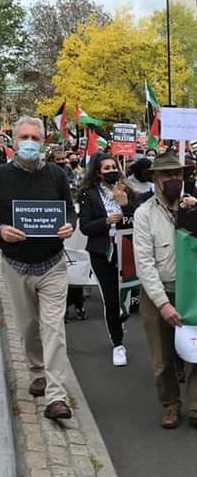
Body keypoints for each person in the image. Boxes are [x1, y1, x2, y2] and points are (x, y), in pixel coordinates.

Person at [133, 152, 197, 436]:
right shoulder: (144, 214)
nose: (173, 180)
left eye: (177, 175)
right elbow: (144, 264)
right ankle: (170, 404)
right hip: (158, 294)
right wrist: (162, 304)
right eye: (167, 175)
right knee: (162, 359)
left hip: (192, 292)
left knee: (196, 355)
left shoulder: (193, 207)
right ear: (156, 179)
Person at [0, 116, 77, 419]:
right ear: (14, 141)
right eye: (24, 137)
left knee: (53, 329)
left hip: (52, 265)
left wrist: (70, 224)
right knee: (27, 327)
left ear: (44, 142)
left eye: (35, 137)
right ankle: (36, 373)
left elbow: (69, 208)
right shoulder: (2, 175)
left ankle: (56, 396)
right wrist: (2, 229)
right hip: (16, 266)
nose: (29, 143)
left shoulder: (56, 175)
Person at [78, 153, 139, 366]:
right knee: (111, 298)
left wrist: (125, 206)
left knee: (129, 296)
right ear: (98, 172)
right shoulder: (89, 194)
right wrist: (105, 221)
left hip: (127, 250)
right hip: (102, 252)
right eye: (106, 168)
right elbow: (85, 227)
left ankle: (120, 317)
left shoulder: (128, 191)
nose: (112, 170)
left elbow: (138, 220)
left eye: (114, 167)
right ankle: (118, 344)